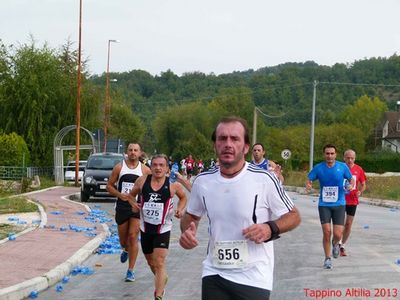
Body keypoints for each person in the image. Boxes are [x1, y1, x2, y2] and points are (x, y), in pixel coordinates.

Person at [179, 116, 301, 300]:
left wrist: (270, 228)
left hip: (254, 276)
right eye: (222, 138)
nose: (228, 144)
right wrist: (186, 232)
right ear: (215, 145)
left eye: (234, 139)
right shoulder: (203, 181)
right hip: (214, 272)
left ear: (245, 147)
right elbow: (191, 217)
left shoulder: (264, 179)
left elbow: (294, 216)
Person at [128, 154, 187, 300]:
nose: (158, 168)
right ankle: (161, 278)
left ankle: (158, 295)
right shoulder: (142, 181)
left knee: (159, 261)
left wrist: (180, 209)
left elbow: (183, 197)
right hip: (146, 228)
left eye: (161, 165)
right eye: (154, 165)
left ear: (167, 168)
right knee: (151, 262)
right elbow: (130, 195)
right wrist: (134, 205)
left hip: (163, 228)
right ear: (151, 167)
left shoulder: (173, 185)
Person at [106, 143, 151, 282]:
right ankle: (125, 249)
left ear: (140, 152)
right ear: (127, 152)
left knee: (133, 236)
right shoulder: (120, 167)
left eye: (135, 150)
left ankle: (130, 271)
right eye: (130, 150)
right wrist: (120, 195)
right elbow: (109, 186)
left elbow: (152, 186)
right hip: (122, 207)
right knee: (123, 240)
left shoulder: (145, 170)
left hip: (137, 207)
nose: (133, 152)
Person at [306, 144, 354, 270]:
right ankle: (327, 258)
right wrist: (309, 185)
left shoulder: (342, 167)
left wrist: (350, 186)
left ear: (336, 154)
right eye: (327, 153)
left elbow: (351, 179)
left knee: (338, 234)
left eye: (332, 153)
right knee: (327, 232)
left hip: (339, 204)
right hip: (324, 205)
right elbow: (309, 179)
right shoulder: (318, 168)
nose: (330, 156)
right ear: (324, 154)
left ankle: (336, 244)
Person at [340, 149, 367, 256]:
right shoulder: (339, 168)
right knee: (339, 224)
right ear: (344, 158)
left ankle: (342, 245)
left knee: (348, 224)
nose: (350, 160)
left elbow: (363, 184)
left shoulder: (358, 169)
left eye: (352, 158)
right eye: (348, 158)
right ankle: (337, 242)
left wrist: (360, 191)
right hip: (340, 200)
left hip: (353, 201)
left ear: (355, 158)